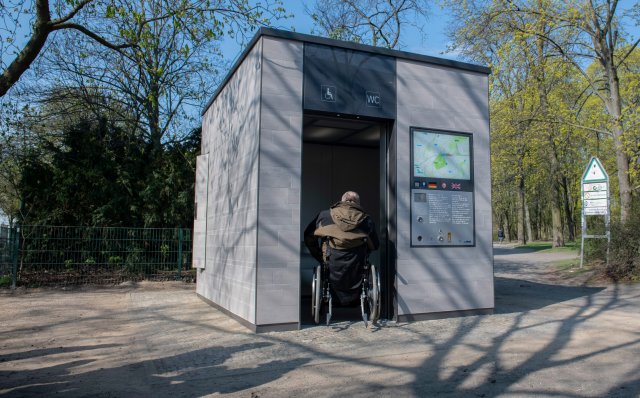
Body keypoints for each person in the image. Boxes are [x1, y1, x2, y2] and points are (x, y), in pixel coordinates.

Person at [304, 191, 380, 305]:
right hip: (357, 267)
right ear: (357, 203)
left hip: (331, 263)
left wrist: (319, 255)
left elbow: (308, 236)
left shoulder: (324, 215)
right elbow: (375, 245)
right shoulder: (366, 220)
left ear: (342, 200)